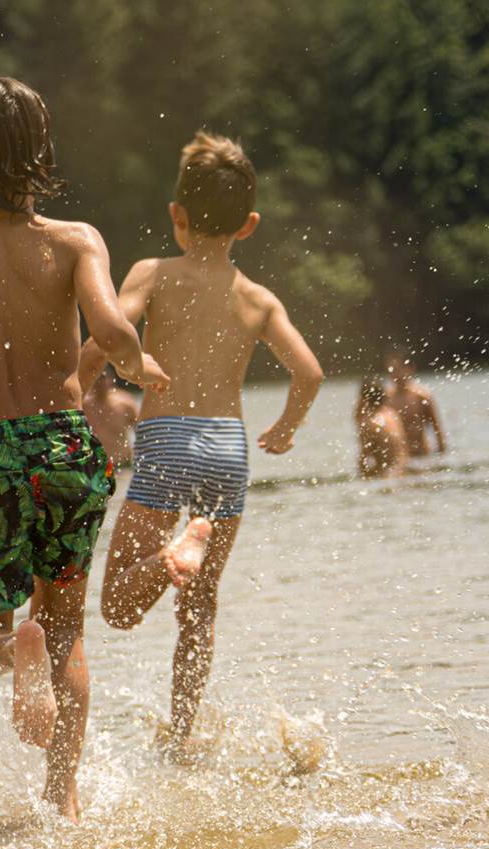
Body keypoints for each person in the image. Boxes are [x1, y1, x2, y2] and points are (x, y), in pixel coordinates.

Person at [0, 75, 168, 821]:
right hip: (65, 449)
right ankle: (64, 796)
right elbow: (110, 332)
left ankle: (14, 653)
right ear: (42, 154)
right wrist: (136, 364)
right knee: (68, 633)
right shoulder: (78, 242)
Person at [79, 130, 323, 764]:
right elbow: (310, 373)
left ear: (176, 217)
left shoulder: (153, 273)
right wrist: (287, 428)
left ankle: (168, 559)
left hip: (165, 443)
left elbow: (110, 333)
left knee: (118, 608)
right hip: (228, 451)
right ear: (249, 225)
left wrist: (73, 386)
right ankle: (183, 735)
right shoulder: (259, 299)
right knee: (200, 611)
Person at [384, 350, 446, 457]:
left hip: (422, 456)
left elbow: (437, 430)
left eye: (397, 370)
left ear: (410, 369)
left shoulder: (422, 397)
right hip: (399, 458)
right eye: (391, 370)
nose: (394, 374)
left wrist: (442, 456)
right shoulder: (386, 400)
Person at [81, 369, 140, 468]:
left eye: (102, 379)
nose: (99, 383)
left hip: (122, 465)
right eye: (96, 379)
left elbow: (140, 432)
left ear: (110, 380)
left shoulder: (125, 403)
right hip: (95, 467)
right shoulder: (84, 406)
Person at [356, 376, 409, 478]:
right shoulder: (392, 414)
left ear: (363, 399)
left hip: (388, 476)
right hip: (403, 471)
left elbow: (364, 460)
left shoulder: (370, 423)